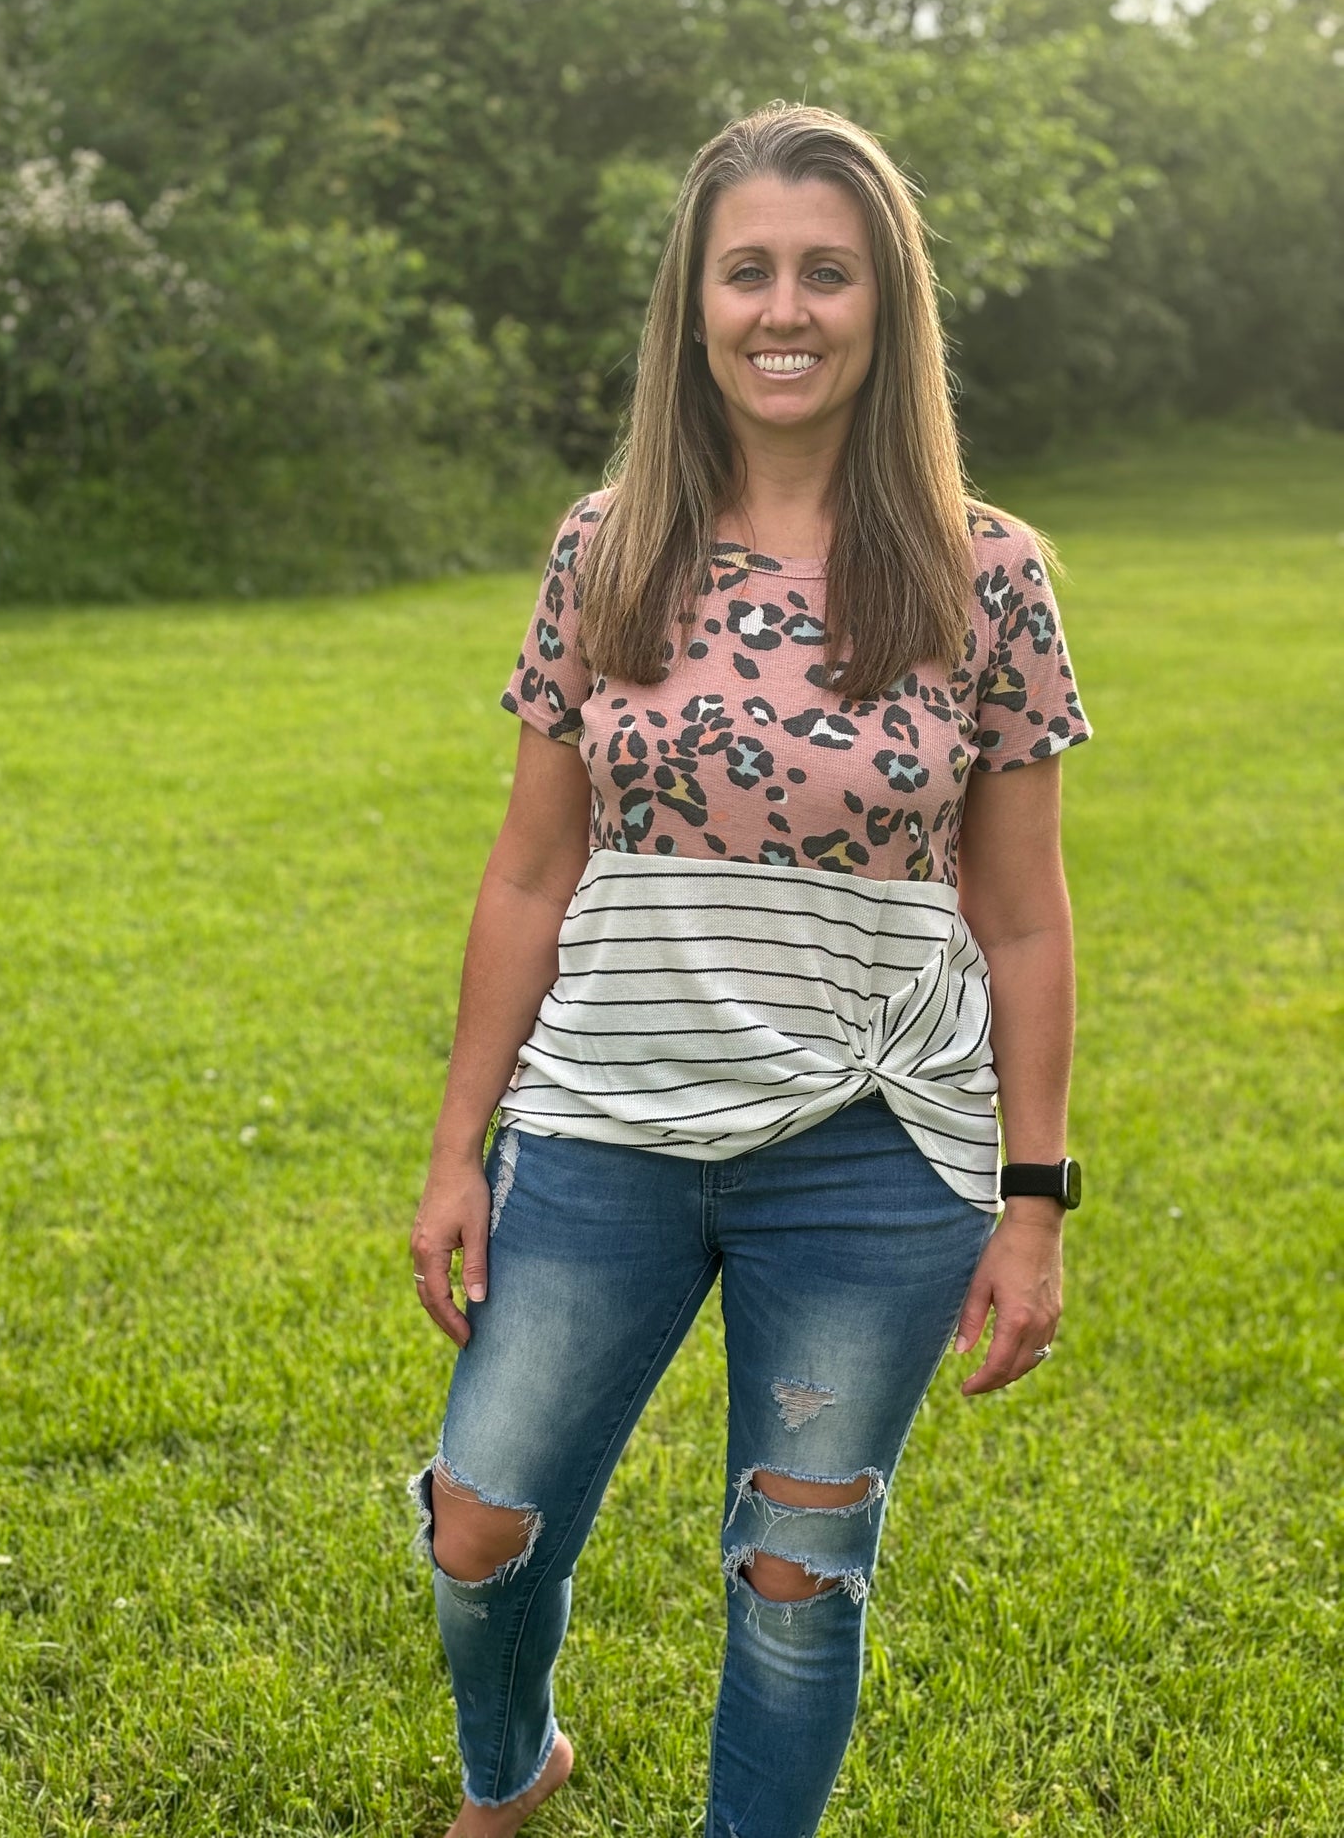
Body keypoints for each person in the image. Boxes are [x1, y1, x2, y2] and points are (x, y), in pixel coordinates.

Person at [407, 101, 1092, 1838]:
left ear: (884, 305)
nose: (784, 309)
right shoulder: (609, 542)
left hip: (872, 1153)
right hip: (604, 1127)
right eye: (748, 273)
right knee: (482, 1519)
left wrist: (1032, 1201)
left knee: (798, 1576)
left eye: (826, 273)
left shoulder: (981, 572)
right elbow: (528, 868)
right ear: (694, 306)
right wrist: (455, 1146)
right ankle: (513, 1768)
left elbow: (1021, 916)